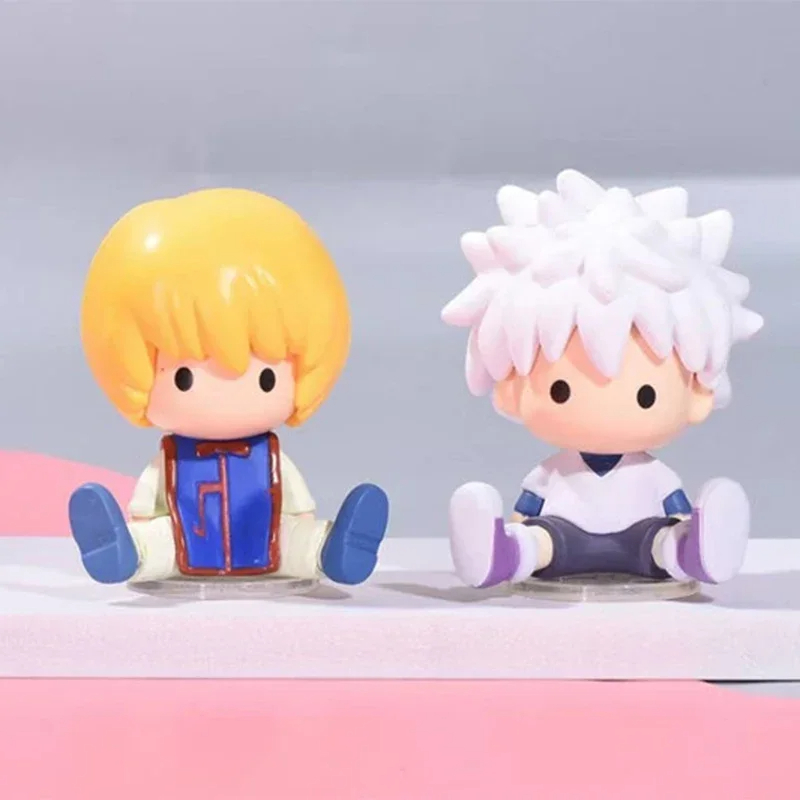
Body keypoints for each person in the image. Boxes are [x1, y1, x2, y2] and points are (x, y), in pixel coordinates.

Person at [442, 170, 762, 588]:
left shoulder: (654, 476)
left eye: (645, 395)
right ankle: (501, 554)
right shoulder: (552, 475)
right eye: (561, 390)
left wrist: (684, 524)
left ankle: (693, 551)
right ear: (511, 389)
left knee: (666, 539)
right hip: (561, 539)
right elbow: (529, 508)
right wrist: (518, 527)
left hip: (643, 542)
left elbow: (674, 507)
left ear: (699, 392)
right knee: (538, 539)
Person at [69, 188, 388, 586]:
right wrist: (142, 520)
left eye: (266, 379)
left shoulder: (269, 459)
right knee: (159, 541)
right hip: (185, 537)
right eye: (184, 378)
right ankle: (125, 553)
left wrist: (302, 519)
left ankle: (332, 553)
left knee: (292, 539)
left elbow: (295, 505)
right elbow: (148, 506)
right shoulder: (169, 461)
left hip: (263, 534)